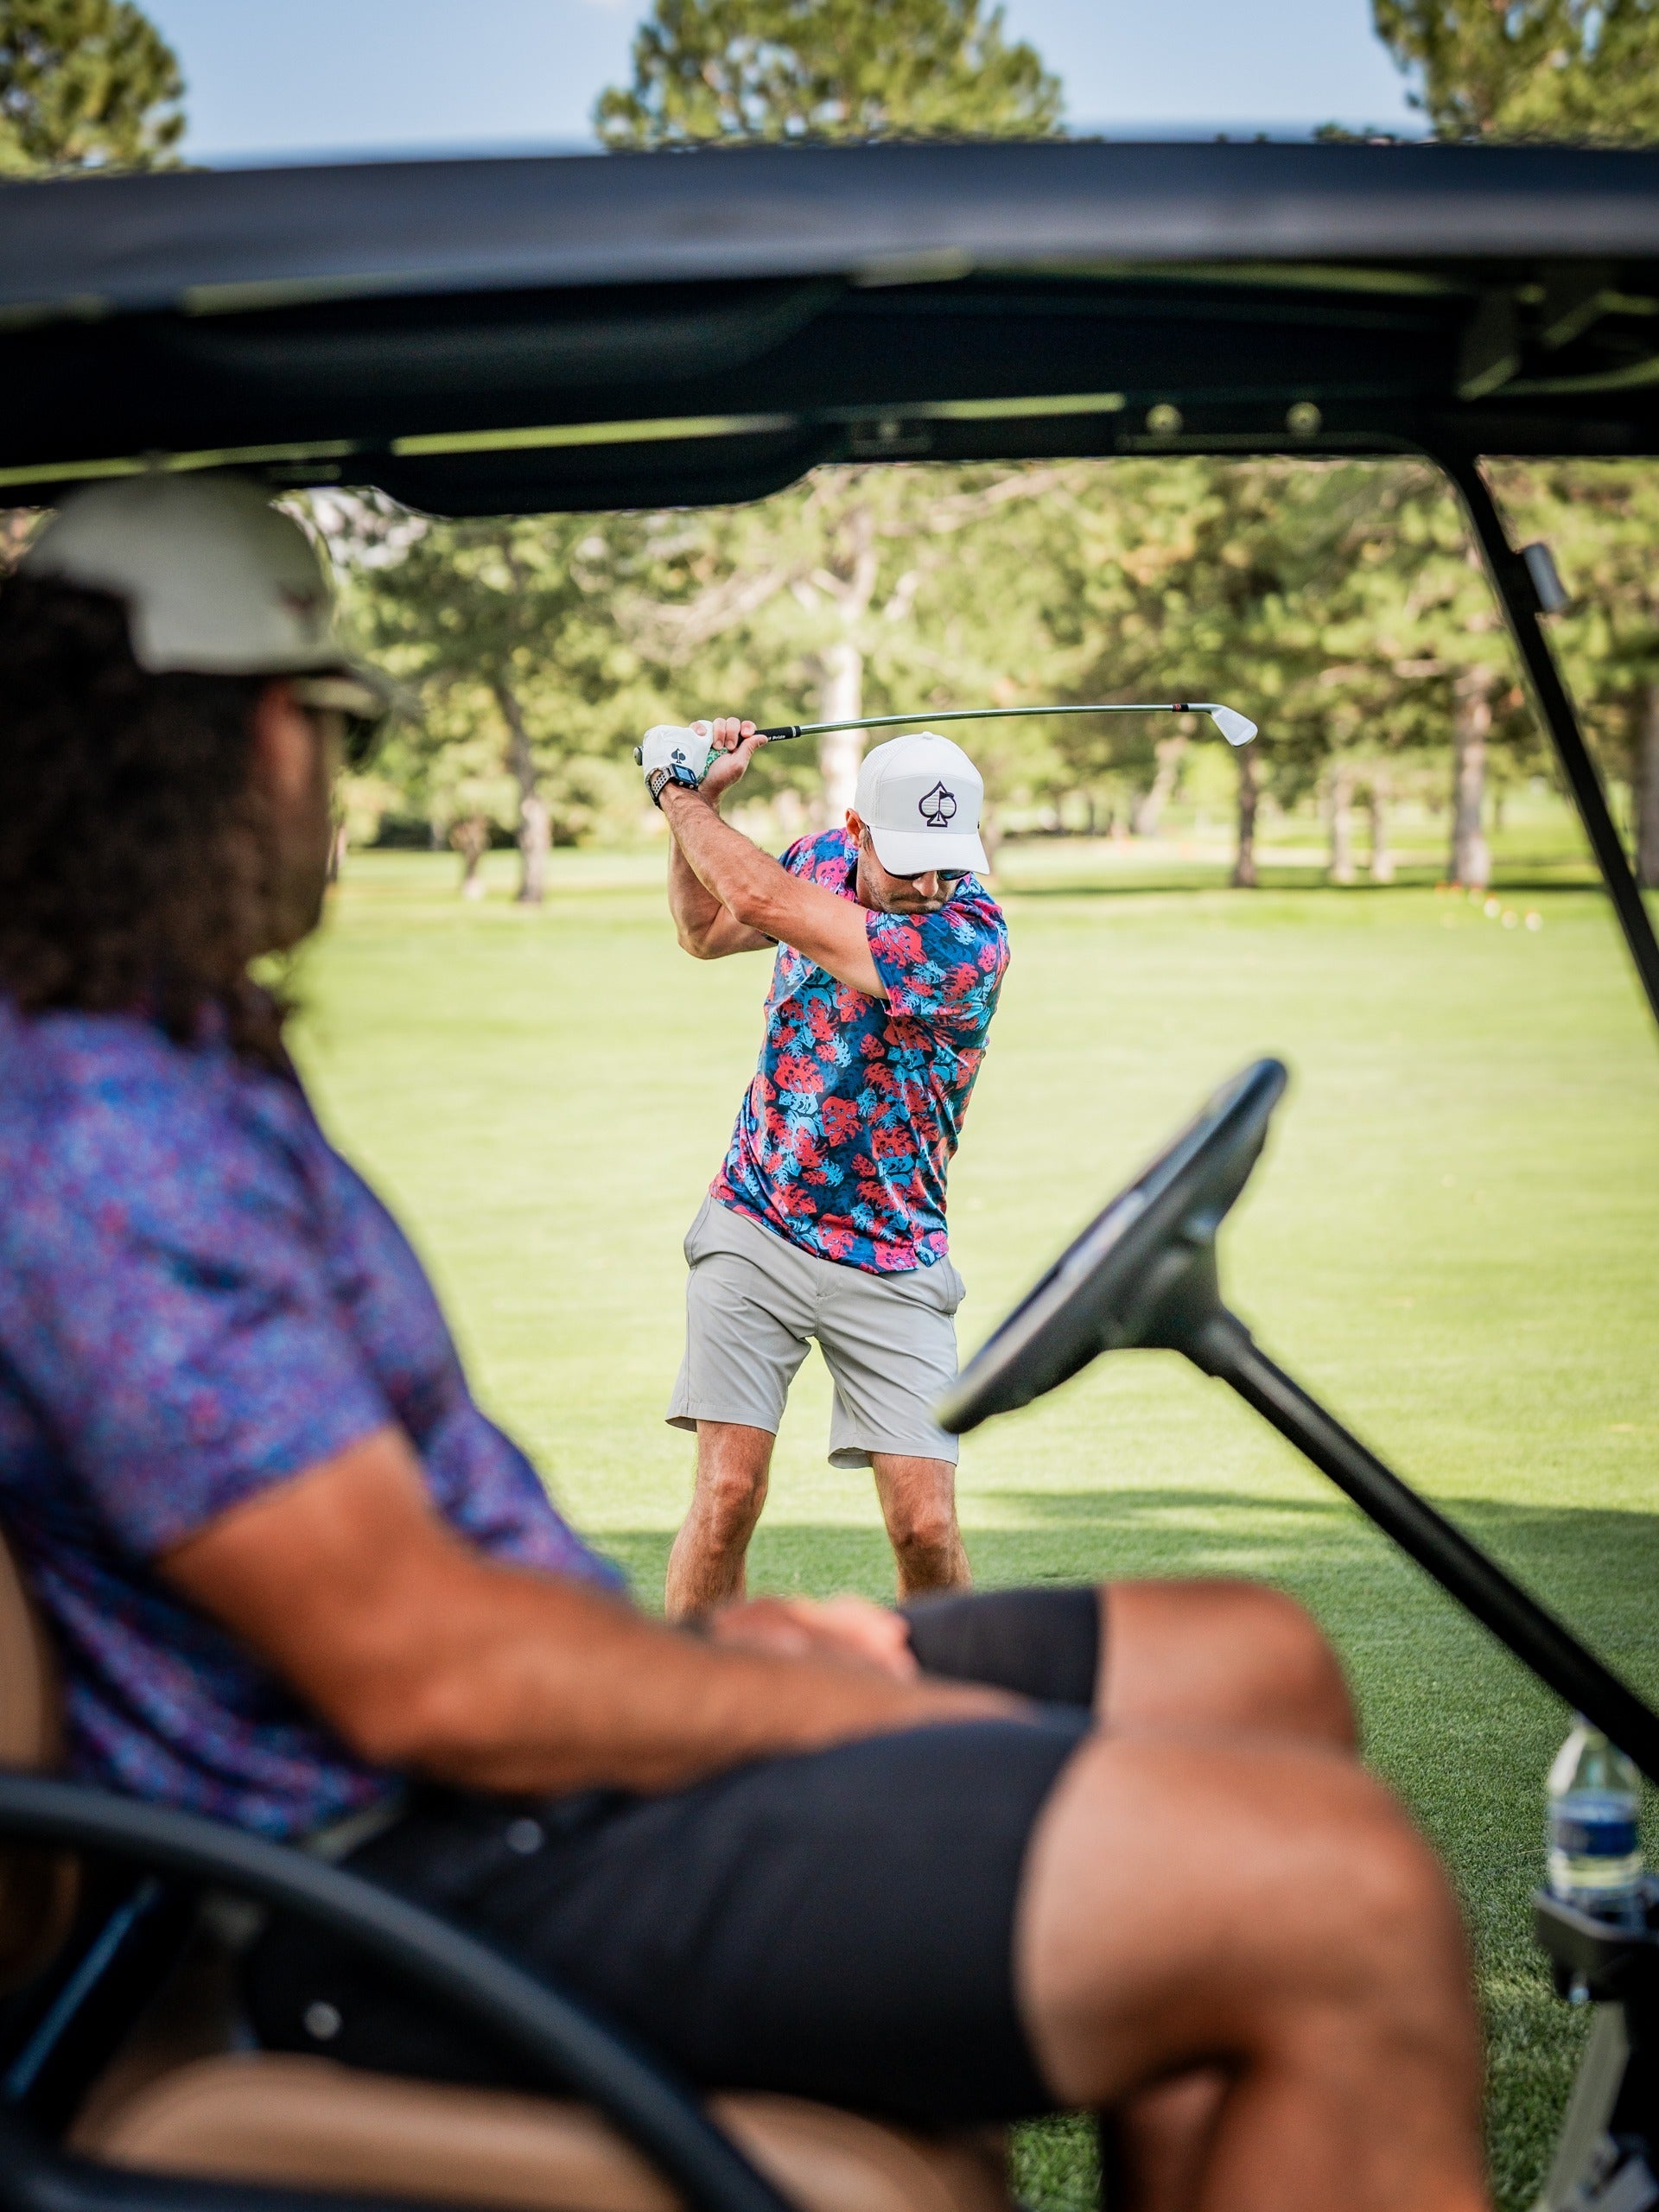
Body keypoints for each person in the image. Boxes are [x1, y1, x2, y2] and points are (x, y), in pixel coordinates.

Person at [0, 475, 1491, 2212]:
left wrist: (744, 1668)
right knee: (1341, 1885)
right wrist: (764, 1693)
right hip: (408, 1865)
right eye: (335, 735)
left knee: (1253, 1657)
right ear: (261, 737)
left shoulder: (153, 1061)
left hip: (473, 1780)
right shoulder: (117, 1139)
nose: (339, 786)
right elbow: (428, 1674)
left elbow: (770, 915)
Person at [645, 716, 1006, 1617]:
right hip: (755, 1216)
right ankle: (695, 1726)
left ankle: (947, 1728)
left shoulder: (968, 942)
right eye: (910, 860)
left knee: (925, 1527)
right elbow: (703, 928)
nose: (930, 885)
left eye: (948, 863)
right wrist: (710, 801)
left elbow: (761, 900)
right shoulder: (814, 860)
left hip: (893, 1252)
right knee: (726, 1495)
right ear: (855, 832)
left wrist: (676, 790)